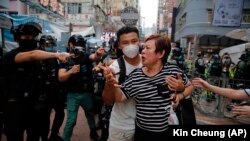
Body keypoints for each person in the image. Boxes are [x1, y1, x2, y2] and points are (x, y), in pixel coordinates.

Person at [102, 34, 193, 141]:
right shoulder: (136, 75)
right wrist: (113, 83)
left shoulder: (173, 71)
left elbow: (190, 86)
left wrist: (180, 95)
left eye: (148, 48)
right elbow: (120, 98)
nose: (143, 51)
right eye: (143, 48)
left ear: (161, 53)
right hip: (142, 133)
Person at [1, 22, 71, 141]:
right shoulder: (11, 56)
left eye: (33, 37)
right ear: (18, 39)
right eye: (26, 37)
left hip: (33, 107)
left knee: (34, 136)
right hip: (14, 107)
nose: (30, 40)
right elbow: (32, 55)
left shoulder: (39, 60)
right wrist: (57, 55)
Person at [58, 34, 104, 141]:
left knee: (90, 113)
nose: (79, 47)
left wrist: (97, 54)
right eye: (77, 45)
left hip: (86, 93)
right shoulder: (66, 58)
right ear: (70, 45)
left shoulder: (85, 56)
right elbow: (61, 77)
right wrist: (71, 71)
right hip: (72, 95)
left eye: (81, 45)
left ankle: (93, 132)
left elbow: (93, 57)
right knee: (71, 121)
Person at [36, 34, 65, 141]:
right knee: (45, 116)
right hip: (43, 93)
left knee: (60, 112)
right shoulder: (38, 57)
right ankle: (44, 137)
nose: (51, 46)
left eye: (53, 44)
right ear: (42, 45)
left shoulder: (55, 57)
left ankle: (54, 133)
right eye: (48, 44)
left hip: (55, 90)